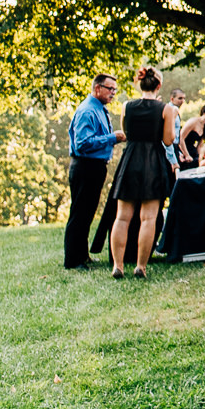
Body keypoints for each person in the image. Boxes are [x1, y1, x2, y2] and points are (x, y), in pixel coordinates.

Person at [108, 66, 179, 279]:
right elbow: (168, 140)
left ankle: (118, 266)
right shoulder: (166, 109)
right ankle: (141, 266)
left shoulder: (126, 106)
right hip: (153, 161)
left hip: (130, 159)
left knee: (122, 217)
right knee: (148, 218)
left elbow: (127, 133)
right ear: (159, 86)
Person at [65, 74, 124, 270]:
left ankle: (83, 255)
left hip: (95, 166)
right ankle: (73, 260)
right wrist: (112, 138)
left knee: (88, 212)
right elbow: (83, 144)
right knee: (80, 213)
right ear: (97, 88)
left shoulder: (100, 109)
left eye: (115, 90)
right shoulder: (87, 111)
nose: (113, 93)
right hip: (85, 166)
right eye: (110, 89)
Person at [176, 102, 205, 169]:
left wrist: (200, 157)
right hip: (182, 150)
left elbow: (199, 146)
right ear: (204, 112)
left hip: (192, 151)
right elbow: (181, 138)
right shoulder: (193, 121)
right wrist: (186, 155)